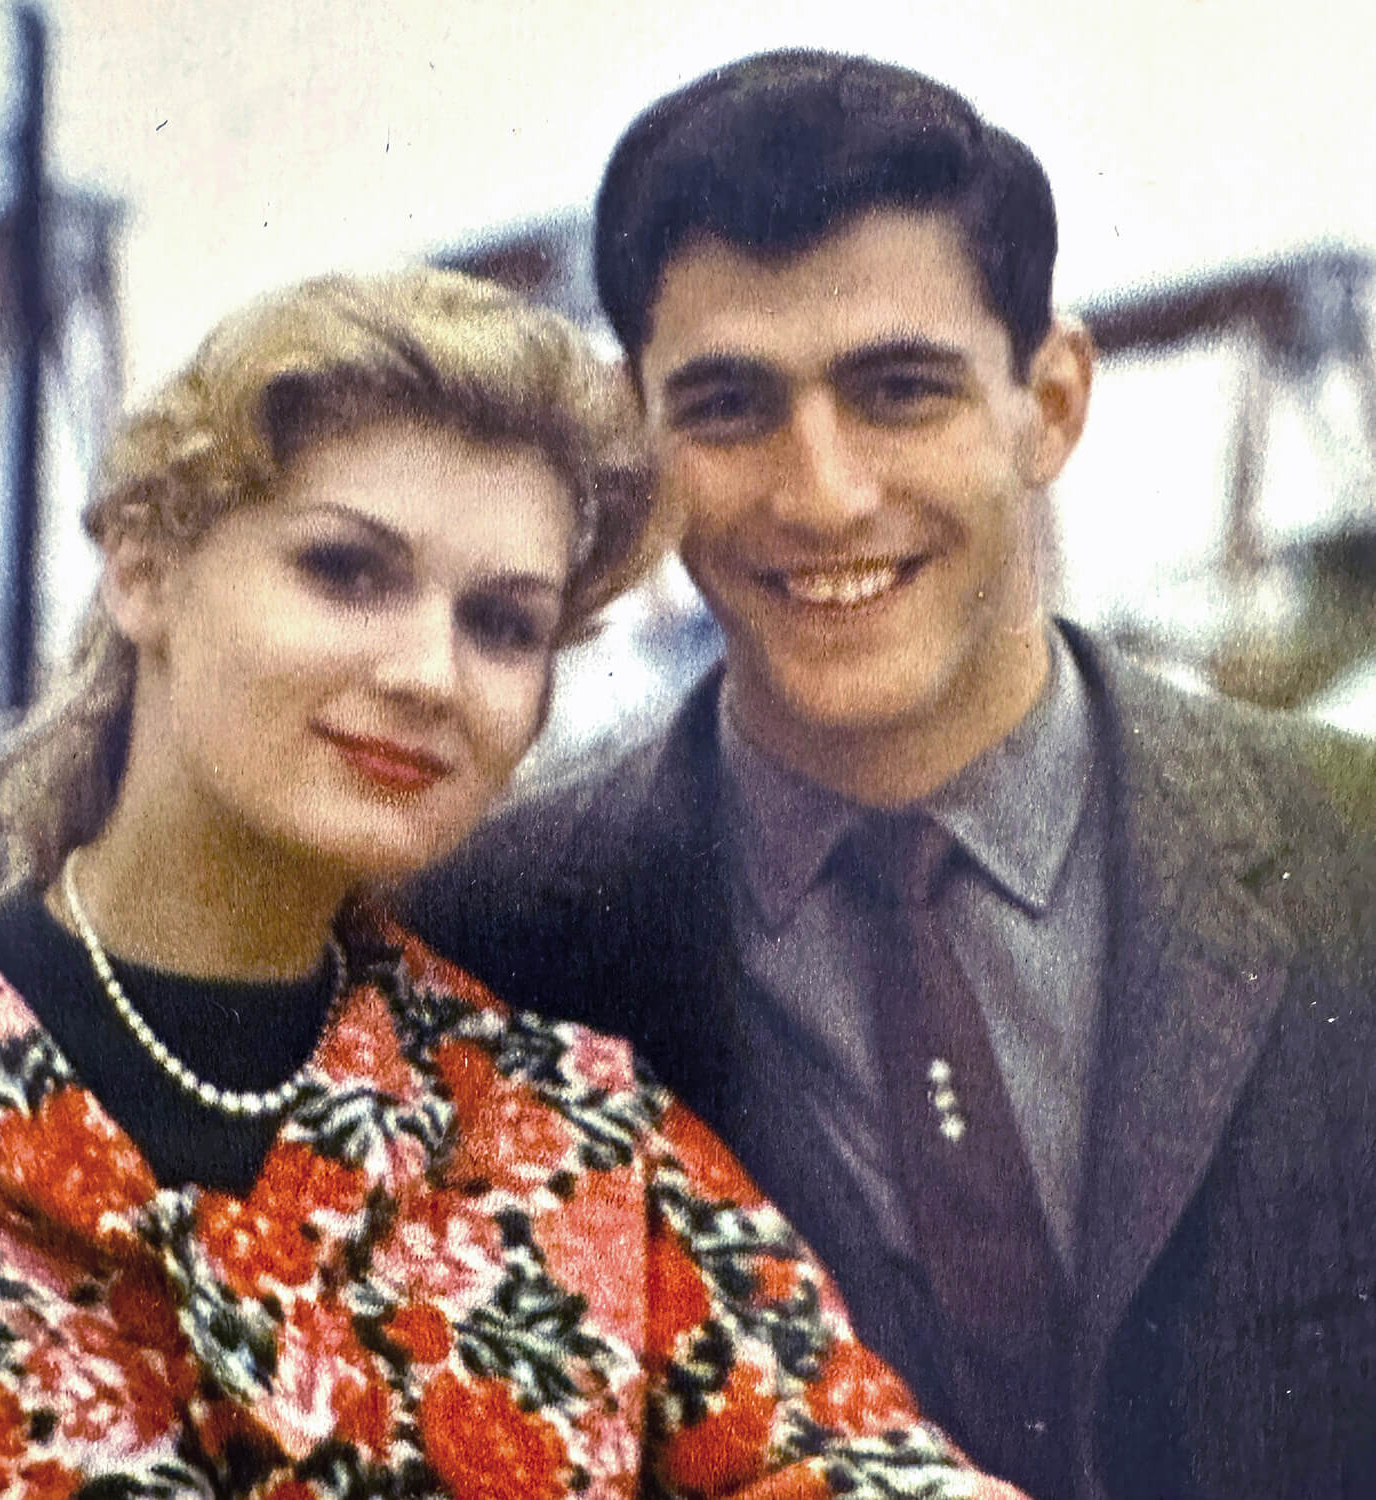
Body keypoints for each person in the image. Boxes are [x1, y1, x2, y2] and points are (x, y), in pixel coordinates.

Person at [0, 268, 1033, 1500]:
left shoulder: (580, 1148)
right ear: (146, 568)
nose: (430, 673)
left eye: (501, 623)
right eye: (346, 571)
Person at [407, 51, 1376, 1500]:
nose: (824, 492)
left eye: (899, 392)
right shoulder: (478, 951)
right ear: (635, 433)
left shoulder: (1351, 856)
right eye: (731, 407)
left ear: (1049, 402)